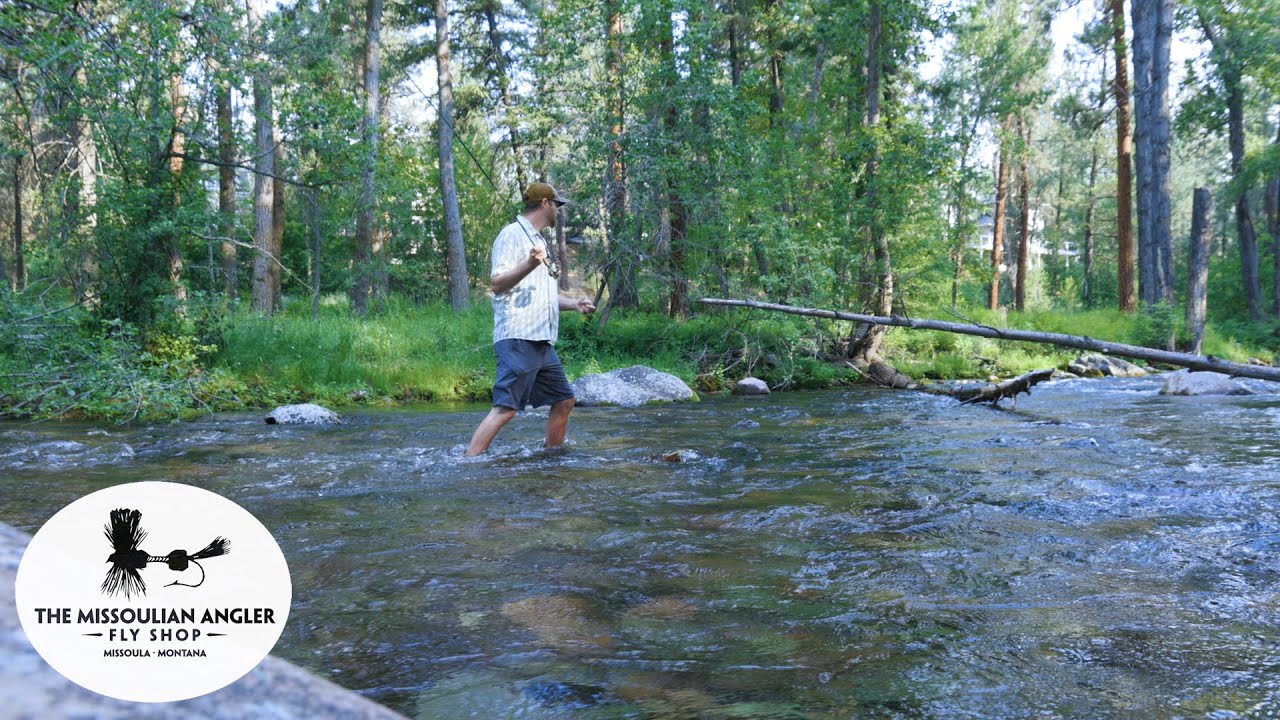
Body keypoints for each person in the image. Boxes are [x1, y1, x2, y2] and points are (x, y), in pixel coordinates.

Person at [466, 182, 596, 456]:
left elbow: (543, 295)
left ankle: (552, 455)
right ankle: (469, 462)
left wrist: (574, 303)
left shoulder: (539, 241)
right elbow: (497, 284)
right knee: (505, 408)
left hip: (541, 341)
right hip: (518, 337)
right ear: (545, 203)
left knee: (564, 399)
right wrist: (529, 264)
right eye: (557, 205)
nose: (559, 212)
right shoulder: (511, 235)